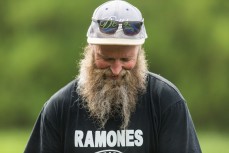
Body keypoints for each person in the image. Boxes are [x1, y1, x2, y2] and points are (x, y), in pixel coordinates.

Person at [24, 0, 202, 153]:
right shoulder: (59, 108)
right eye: (106, 58)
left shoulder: (167, 103)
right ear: (91, 51)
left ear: (139, 53)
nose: (116, 69)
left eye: (126, 59)